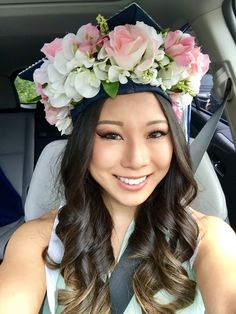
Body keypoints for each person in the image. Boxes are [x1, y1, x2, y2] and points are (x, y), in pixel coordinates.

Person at [0, 3, 236, 314]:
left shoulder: (210, 238)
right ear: (83, 144)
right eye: (111, 135)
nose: (136, 160)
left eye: (156, 134)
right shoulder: (37, 241)